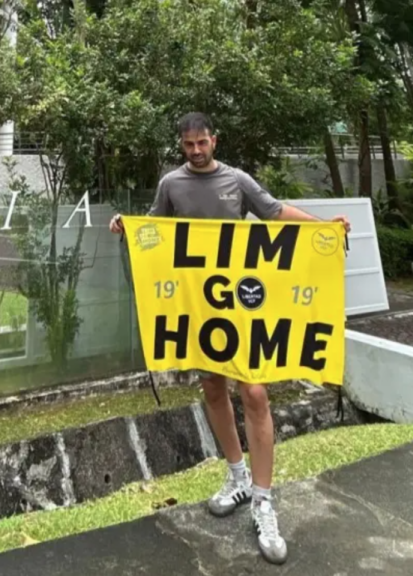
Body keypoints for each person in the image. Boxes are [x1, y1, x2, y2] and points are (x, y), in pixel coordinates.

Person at [109, 112, 351, 565]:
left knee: (255, 393)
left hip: (243, 307)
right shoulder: (171, 185)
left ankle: (263, 500)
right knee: (213, 388)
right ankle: (237, 476)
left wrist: (324, 228)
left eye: (202, 143)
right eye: (189, 146)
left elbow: (275, 212)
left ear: (214, 141)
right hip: (202, 310)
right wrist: (128, 226)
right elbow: (156, 233)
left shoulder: (236, 179)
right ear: (181, 146)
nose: (196, 152)